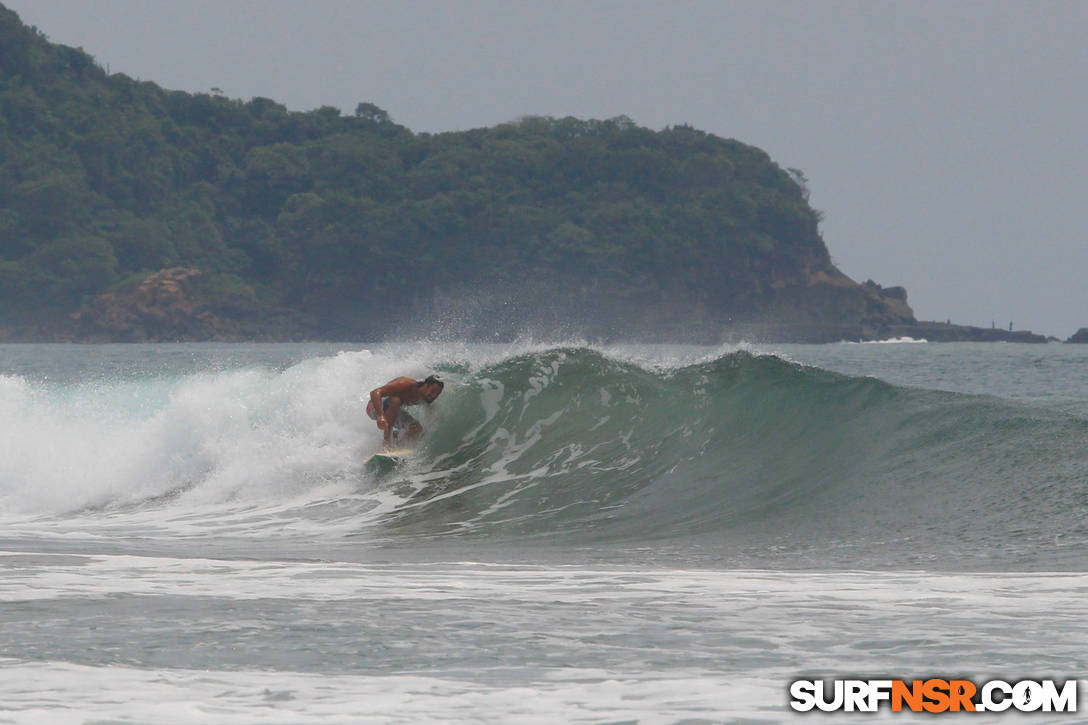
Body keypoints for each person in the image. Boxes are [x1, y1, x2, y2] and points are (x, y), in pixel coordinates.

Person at [367, 374, 444, 448]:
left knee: (417, 429)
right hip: (374, 408)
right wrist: (380, 416)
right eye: (433, 391)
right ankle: (386, 444)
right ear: (426, 385)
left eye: (437, 394)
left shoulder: (426, 398)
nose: (434, 396)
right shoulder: (406, 384)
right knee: (395, 400)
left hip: (390, 411)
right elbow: (375, 393)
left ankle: (396, 447)